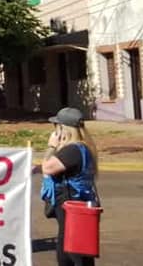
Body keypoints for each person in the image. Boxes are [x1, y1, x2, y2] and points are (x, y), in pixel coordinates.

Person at [42, 107, 99, 266]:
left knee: (71, 251)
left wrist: (51, 146)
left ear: (63, 129)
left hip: (71, 205)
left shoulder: (72, 150)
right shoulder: (82, 147)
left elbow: (47, 168)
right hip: (77, 204)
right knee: (74, 250)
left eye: (56, 127)